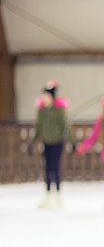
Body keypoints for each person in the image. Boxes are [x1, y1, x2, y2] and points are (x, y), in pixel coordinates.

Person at [28, 79, 76, 209]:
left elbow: (66, 126)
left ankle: (58, 196)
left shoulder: (59, 110)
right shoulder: (42, 111)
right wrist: (33, 143)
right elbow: (38, 128)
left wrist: (72, 142)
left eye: (46, 95)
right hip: (46, 143)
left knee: (55, 168)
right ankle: (48, 196)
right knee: (47, 169)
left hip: (57, 143)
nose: (44, 98)